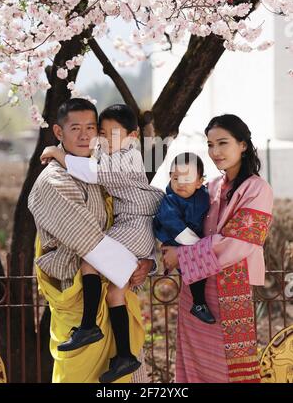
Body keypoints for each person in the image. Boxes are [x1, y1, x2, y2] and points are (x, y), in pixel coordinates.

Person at [28, 98, 154, 383]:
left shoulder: (103, 166)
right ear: (59, 133)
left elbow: (134, 215)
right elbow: (91, 242)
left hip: (114, 293)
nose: (85, 135)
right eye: (76, 128)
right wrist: (131, 268)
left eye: (91, 127)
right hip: (80, 304)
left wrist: (147, 261)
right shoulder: (54, 181)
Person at [162, 114, 273, 383]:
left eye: (223, 143)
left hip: (231, 289)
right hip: (196, 290)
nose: (215, 152)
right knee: (193, 361)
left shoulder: (258, 190)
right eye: (210, 145)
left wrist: (182, 256)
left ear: (243, 145)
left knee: (228, 368)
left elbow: (239, 244)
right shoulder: (210, 187)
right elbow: (176, 208)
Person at [153, 152, 215, 324]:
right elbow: (174, 225)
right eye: (175, 178)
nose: (180, 183)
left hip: (195, 240)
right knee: (197, 269)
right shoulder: (170, 201)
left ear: (199, 182)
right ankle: (199, 303)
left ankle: (199, 302)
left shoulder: (203, 194)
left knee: (201, 270)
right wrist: (198, 247)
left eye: (187, 179)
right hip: (177, 239)